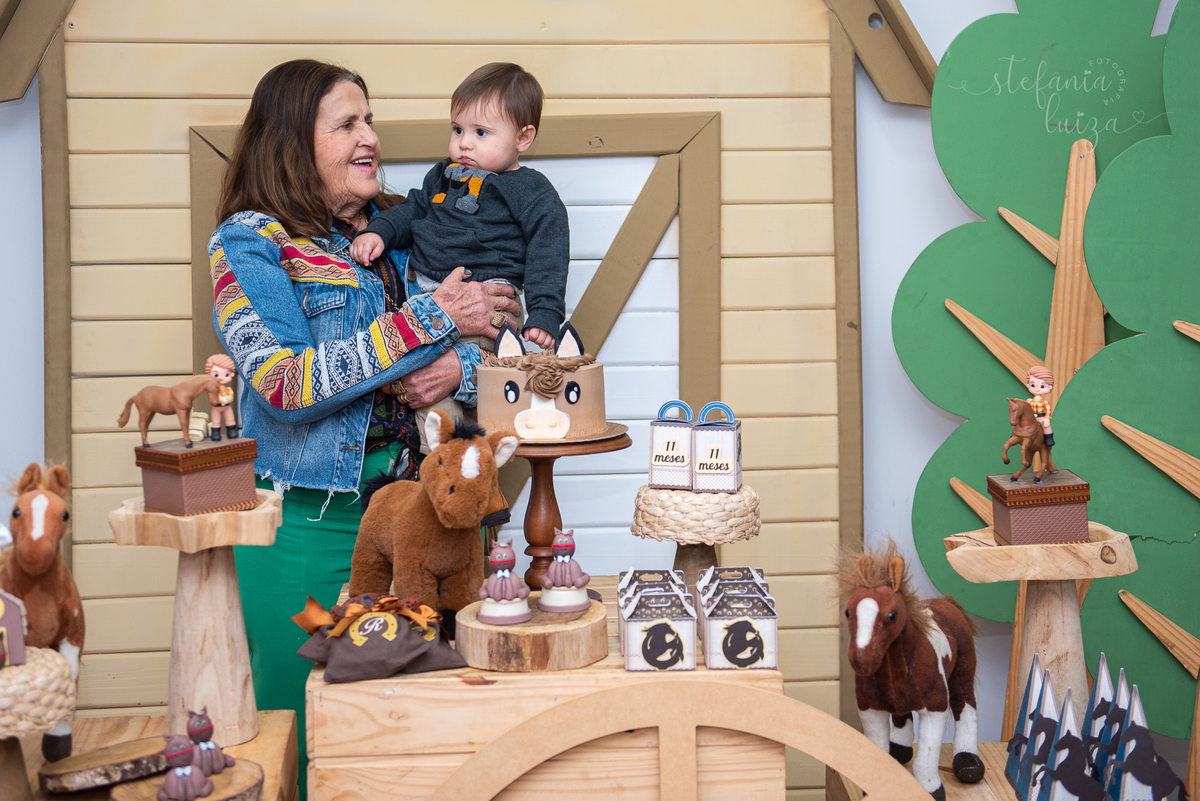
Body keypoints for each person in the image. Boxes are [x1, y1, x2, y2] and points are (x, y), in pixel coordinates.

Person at [208, 59, 520, 794]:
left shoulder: (412, 225)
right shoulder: (249, 244)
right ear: (292, 141)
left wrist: (459, 371)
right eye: (347, 124)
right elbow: (285, 382)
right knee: (311, 735)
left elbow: (505, 356)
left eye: (369, 120)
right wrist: (430, 321)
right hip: (310, 531)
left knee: (427, 738)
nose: (370, 138)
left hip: (432, 526)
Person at [349, 62, 569, 450]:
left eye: (481, 133)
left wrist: (545, 312)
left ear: (523, 137)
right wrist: (378, 231)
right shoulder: (442, 176)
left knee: (487, 397)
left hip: (487, 304)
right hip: (424, 301)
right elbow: (413, 210)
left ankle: (469, 466)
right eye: (458, 130)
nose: (465, 143)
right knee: (432, 395)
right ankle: (448, 464)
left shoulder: (530, 190)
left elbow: (548, 248)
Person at [204, 353, 237, 441]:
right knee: (216, 421)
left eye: (226, 374)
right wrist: (220, 399)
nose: (221, 378)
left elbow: (230, 397)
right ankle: (215, 433)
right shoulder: (213, 390)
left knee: (230, 419)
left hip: (227, 407)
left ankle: (231, 431)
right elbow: (212, 399)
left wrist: (227, 399)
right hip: (217, 407)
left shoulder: (228, 389)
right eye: (216, 375)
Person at [1025, 366, 1055, 446]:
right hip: (1031, 418)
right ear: (1028, 385)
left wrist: (1047, 419)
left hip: (1041, 418)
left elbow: (1048, 411)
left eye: (1042, 386)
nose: (1037, 389)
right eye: (1032, 385)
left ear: (1049, 387)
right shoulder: (1029, 401)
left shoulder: (1044, 402)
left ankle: (1048, 437)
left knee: (1046, 426)